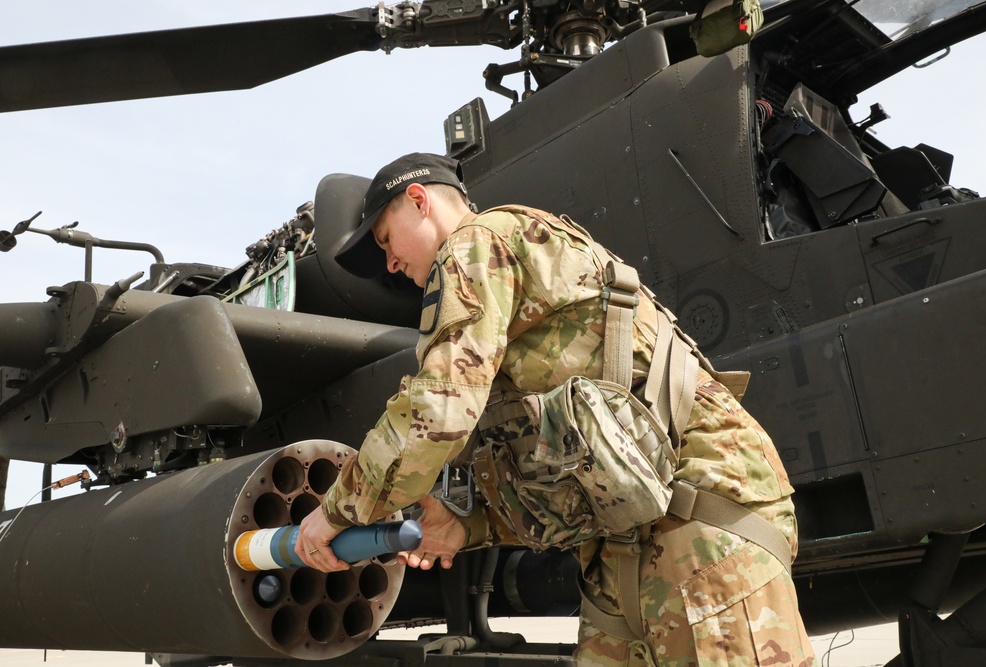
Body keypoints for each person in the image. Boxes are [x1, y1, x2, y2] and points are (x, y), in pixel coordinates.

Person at [296, 152, 815, 666]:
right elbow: (558, 453)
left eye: (386, 239)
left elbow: (441, 407)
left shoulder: (478, 244)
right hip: (629, 545)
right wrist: (468, 525)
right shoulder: (512, 259)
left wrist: (339, 510)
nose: (390, 263)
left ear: (418, 200)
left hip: (700, 524)